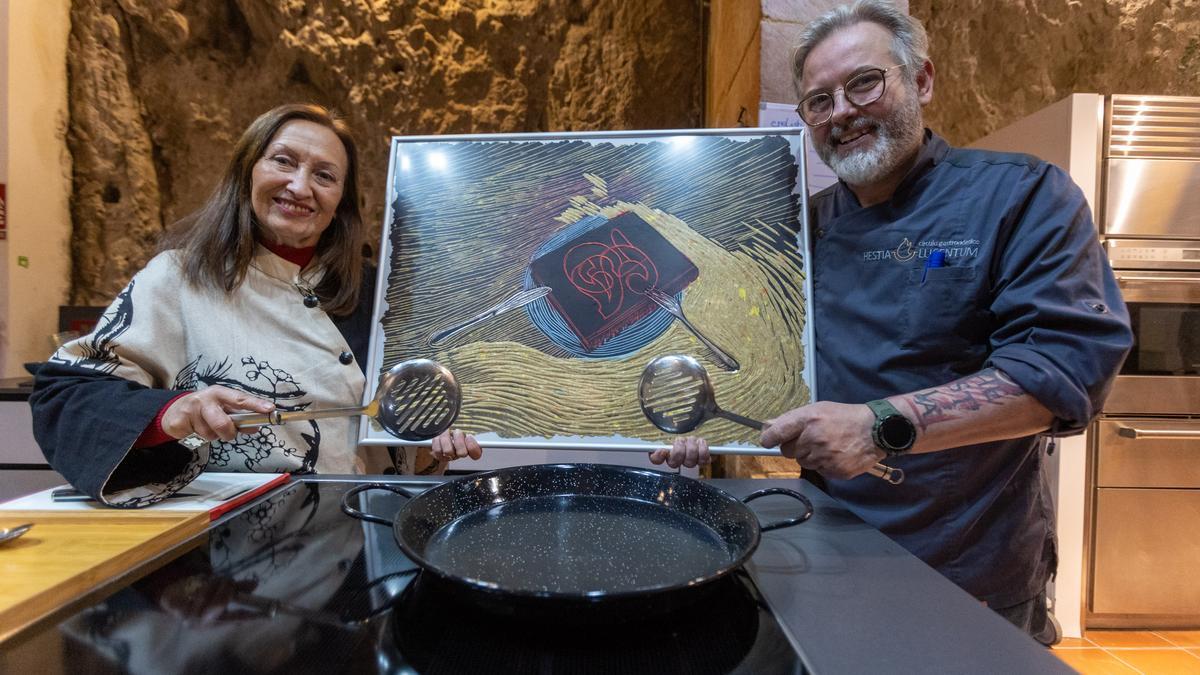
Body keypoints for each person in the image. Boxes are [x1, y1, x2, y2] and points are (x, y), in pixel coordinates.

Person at [653, 0, 1132, 644]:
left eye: (863, 84)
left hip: (970, 563)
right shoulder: (802, 230)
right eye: (819, 102)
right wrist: (703, 430)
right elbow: (765, 365)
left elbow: (1066, 370)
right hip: (826, 540)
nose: (842, 112)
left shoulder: (1022, 196)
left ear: (923, 81)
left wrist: (878, 427)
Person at [31, 103, 481, 508]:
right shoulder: (178, 278)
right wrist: (172, 412)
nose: (300, 186)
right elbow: (69, 394)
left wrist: (432, 445)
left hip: (379, 533)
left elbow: (399, 435)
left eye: (324, 176)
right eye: (283, 161)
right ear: (247, 170)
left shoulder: (380, 294)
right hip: (239, 559)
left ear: (341, 200)